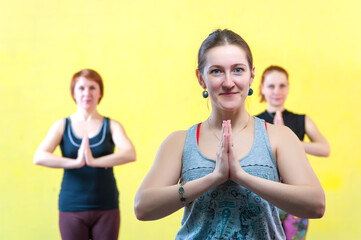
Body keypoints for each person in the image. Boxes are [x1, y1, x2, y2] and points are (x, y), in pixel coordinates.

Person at [134, 29, 325, 239]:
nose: (228, 82)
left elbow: (316, 206)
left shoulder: (280, 137)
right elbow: (143, 208)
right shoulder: (179, 142)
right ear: (200, 78)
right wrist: (214, 177)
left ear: (251, 75)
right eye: (216, 71)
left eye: (238, 70)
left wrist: (242, 176)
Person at [34, 69, 136, 240]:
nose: (86, 93)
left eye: (92, 88)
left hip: (106, 205)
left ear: (100, 92)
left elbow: (130, 153)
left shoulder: (111, 125)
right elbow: (39, 156)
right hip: (71, 206)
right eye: (81, 88)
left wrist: (94, 161)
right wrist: (76, 162)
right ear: (73, 93)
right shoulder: (62, 125)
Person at [256, 65, 330, 239]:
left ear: (288, 87)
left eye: (282, 85)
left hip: (297, 195)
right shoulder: (254, 122)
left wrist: (290, 141)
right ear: (262, 88)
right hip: (266, 198)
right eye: (271, 86)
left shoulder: (301, 120)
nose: (277, 91)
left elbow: (324, 149)